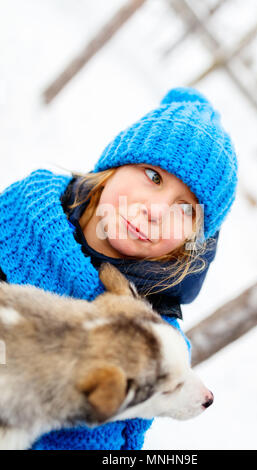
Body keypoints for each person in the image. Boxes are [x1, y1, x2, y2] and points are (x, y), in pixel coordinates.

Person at [0, 87, 238, 449]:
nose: (156, 211)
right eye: (153, 176)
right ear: (115, 165)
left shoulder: (157, 344)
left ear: (191, 243)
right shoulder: (27, 208)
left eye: (186, 209)